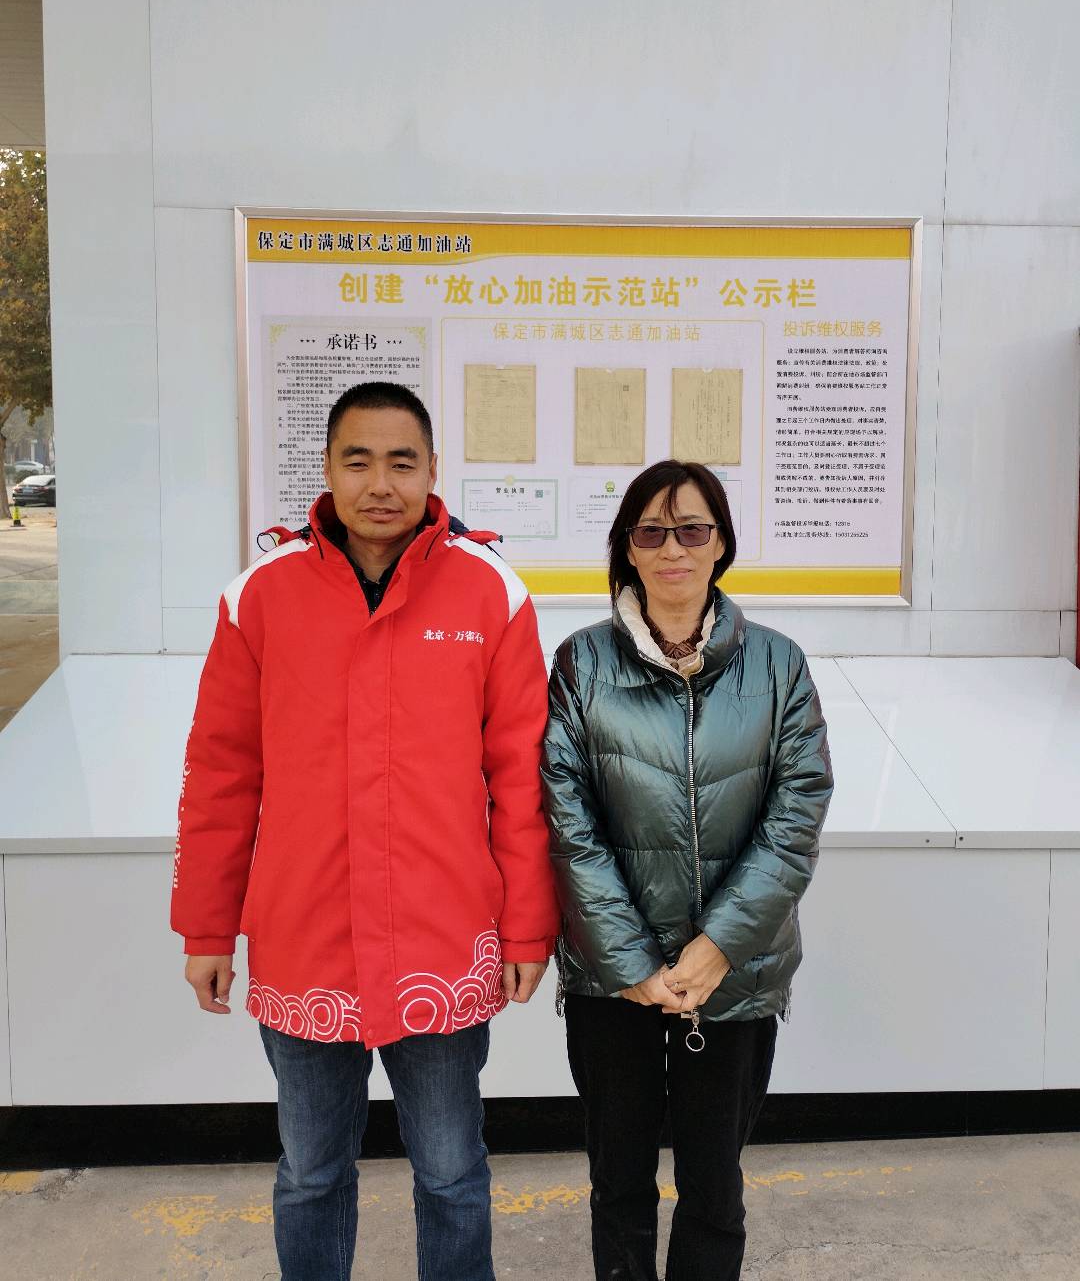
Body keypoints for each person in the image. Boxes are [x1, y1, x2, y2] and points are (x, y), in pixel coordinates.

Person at [171, 381, 559, 1281]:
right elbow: (221, 774)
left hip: (442, 939)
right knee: (311, 1171)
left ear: (433, 471)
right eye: (358, 461)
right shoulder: (259, 597)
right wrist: (206, 928)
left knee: (452, 1171)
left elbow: (522, 780)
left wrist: (528, 930)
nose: (380, 484)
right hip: (306, 939)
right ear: (326, 469)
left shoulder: (491, 593)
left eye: (401, 462)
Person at [541, 459, 833, 1281]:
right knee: (619, 1180)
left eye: (693, 529)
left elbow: (797, 815)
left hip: (735, 977)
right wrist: (632, 962)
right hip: (612, 983)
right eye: (651, 531)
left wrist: (716, 948)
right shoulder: (582, 663)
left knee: (713, 1185)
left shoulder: (777, 665)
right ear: (627, 548)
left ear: (721, 545)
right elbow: (568, 822)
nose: (673, 548)